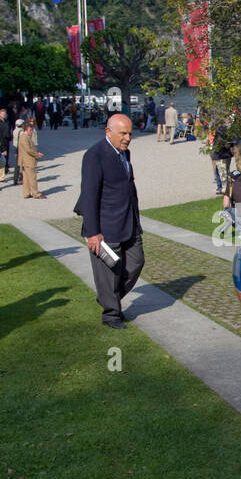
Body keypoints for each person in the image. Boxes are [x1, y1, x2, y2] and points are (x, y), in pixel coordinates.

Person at [75, 114, 143, 328]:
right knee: (108, 274)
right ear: (108, 132)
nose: (127, 138)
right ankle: (111, 314)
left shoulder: (125, 153)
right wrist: (93, 232)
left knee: (136, 262)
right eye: (123, 133)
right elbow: (89, 195)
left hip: (129, 221)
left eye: (130, 133)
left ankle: (107, 297)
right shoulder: (95, 155)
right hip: (106, 226)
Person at [18, 120, 44, 198]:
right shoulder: (24, 137)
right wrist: (37, 155)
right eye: (30, 130)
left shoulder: (24, 137)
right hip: (28, 160)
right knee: (32, 177)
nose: (31, 132)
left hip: (25, 161)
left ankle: (26, 193)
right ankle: (36, 193)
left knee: (26, 178)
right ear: (26, 130)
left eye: (32, 130)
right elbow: (28, 149)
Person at [209, 128, 233, 194]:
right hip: (227, 155)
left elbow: (217, 147)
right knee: (227, 171)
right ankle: (229, 187)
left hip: (221, 156)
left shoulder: (218, 135)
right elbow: (231, 144)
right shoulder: (228, 132)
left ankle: (225, 189)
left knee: (222, 172)